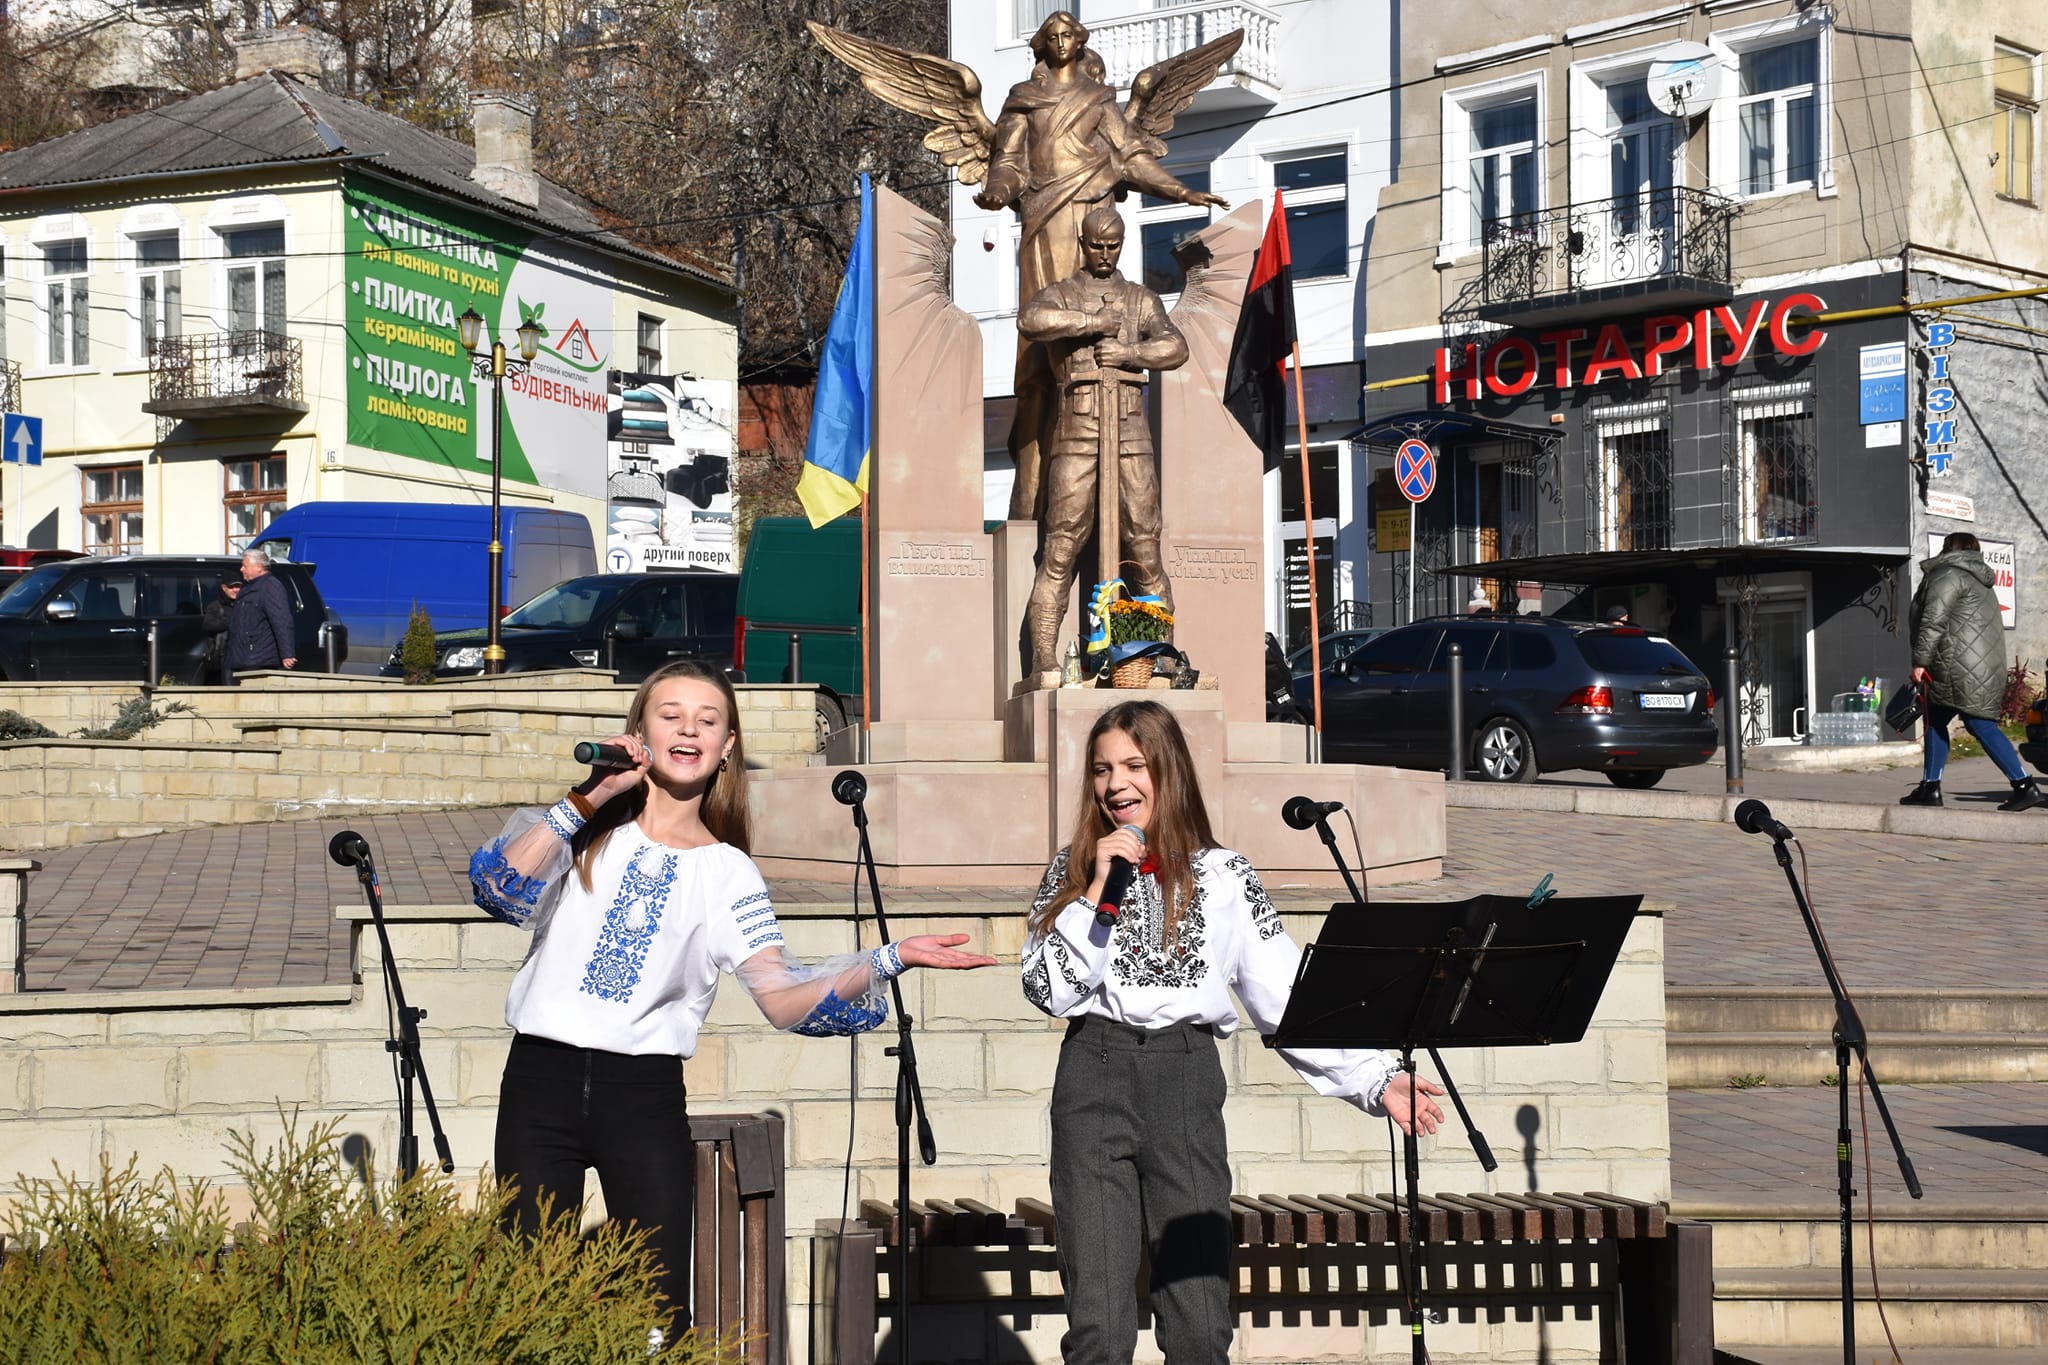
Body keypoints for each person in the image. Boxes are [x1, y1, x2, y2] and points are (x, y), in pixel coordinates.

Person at [468, 660, 995, 1340]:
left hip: (642, 1091)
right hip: (542, 1078)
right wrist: (590, 796)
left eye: (708, 720)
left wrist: (888, 958)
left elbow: (780, 995)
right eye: (670, 714)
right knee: (525, 1288)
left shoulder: (728, 870)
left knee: (655, 1310)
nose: (689, 728)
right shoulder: (587, 829)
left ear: (727, 748)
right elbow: (499, 886)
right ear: (638, 733)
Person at [1021, 700, 1445, 1365]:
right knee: (1099, 1332)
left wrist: (1374, 1077)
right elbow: (1051, 989)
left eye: (1134, 764)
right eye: (1102, 769)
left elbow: (1287, 995)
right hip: (1092, 1075)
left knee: (1197, 1326)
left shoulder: (1223, 875)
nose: (1116, 783)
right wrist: (1099, 885)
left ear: (1168, 770)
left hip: (1183, 1079)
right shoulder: (1073, 871)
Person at [977, 9, 1225, 519]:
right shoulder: (1024, 99)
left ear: (1079, 41)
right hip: (1045, 225)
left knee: (1097, 348)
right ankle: (1030, 497)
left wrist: (1180, 190)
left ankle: (1095, 488)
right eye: (1053, 35)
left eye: (1069, 34)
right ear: (1042, 45)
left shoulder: (1098, 101)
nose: (1063, 40)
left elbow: (1131, 156)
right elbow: (1007, 158)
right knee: (1040, 359)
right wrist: (997, 191)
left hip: (1093, 217)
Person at [1018, 205, 1188, 675]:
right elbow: (1031, 321)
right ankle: (1045, 659)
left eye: (1113, 246)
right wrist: (1090, 325)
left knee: (1144, 543)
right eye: (1097, 245)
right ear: (1083, 244)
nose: (1105, 254)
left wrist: (1130, 351)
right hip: (1077, 429)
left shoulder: (1141, 299)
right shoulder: (1063, 293)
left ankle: (1153, 655)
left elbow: (1176, 346)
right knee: (1061, 545)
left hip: (1131, 431)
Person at [1901, 531, 2043, 811]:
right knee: (1935, 719)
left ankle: (2025, 786)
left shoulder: (1947, 575)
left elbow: (1933, 621)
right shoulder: (1981, 579)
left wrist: (1920, 661)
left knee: (1979, 723)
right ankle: (1930, 788)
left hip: (1957, 666)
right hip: (1979, 664)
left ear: (1947, 548)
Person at [224, 549, 295, 683]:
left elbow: (281, 621)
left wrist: (287, 653)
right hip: (242, 656)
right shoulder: (247, 588)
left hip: (258, 657)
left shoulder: (271, 586)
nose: (241, 569)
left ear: (258, 567)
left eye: (245, 566)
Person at [200, 575, 239, 685]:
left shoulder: (243, 604)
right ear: (224, 588)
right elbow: (208, 624)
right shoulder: (216, 606)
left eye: (238, 587)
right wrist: (229, 622)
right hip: (223, 654)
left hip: (241, 654)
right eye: (232, 587)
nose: (235, 590)